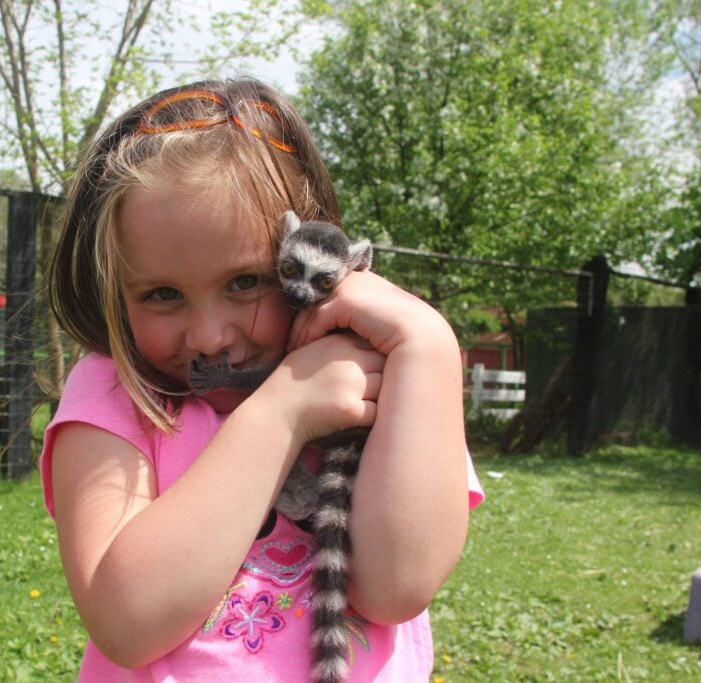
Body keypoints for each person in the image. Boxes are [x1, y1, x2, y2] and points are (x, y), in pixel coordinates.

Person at [40, 76, 484, 681]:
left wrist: (427, 342)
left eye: (247, 282)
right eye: (163, 294)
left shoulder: (375, 376)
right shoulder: (114, 396)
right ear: (115, 294)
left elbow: (397, 587)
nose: (211, 335)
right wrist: (281, 413)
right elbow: (127, 622)